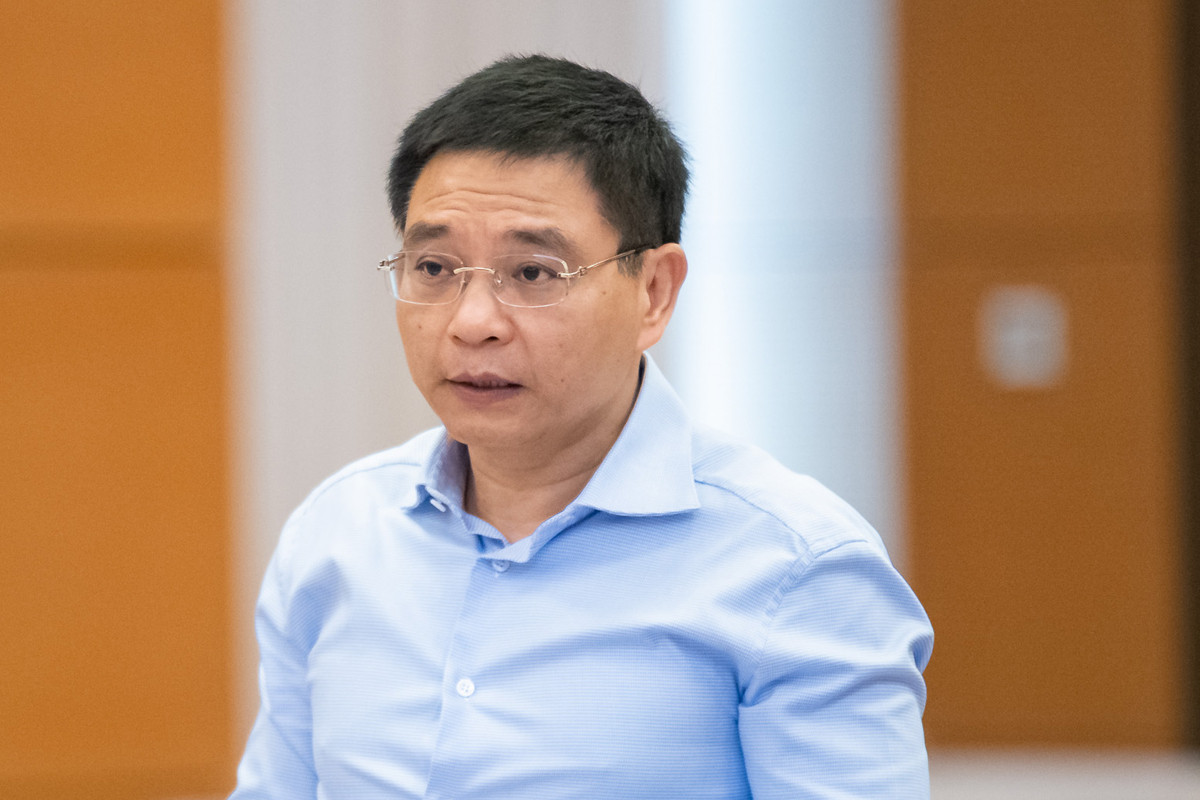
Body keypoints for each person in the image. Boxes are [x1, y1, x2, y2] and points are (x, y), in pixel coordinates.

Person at [230, 54, 933, 799]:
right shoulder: (337, 536)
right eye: (434, 268)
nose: (472, 322)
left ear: (653, 292)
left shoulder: (797, 569)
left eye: (533, 273)